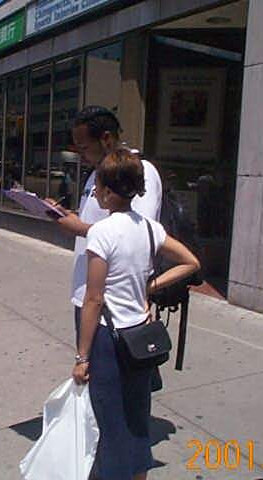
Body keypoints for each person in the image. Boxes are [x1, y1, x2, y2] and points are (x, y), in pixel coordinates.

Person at [72, 149, 200, 479]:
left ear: (107, 191)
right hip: (141, 335)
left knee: (110, 421)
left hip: (109, 339)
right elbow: (191, 262)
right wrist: (150, 285)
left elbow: (93, 299)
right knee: (137, 417)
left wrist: (82, 357)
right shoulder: (150, 229)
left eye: (97, 187)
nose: (96, 193)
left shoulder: (101, 232)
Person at [49, 106, 162, 341]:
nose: (81, 155)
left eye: (84, 148)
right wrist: (65, 215)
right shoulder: (96, 173)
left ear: (107, 139)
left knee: (105, 361)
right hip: (87, 291)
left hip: (117, 302)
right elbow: (98, 220)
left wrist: (79, 228)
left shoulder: (140, 171)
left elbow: (138, 235)